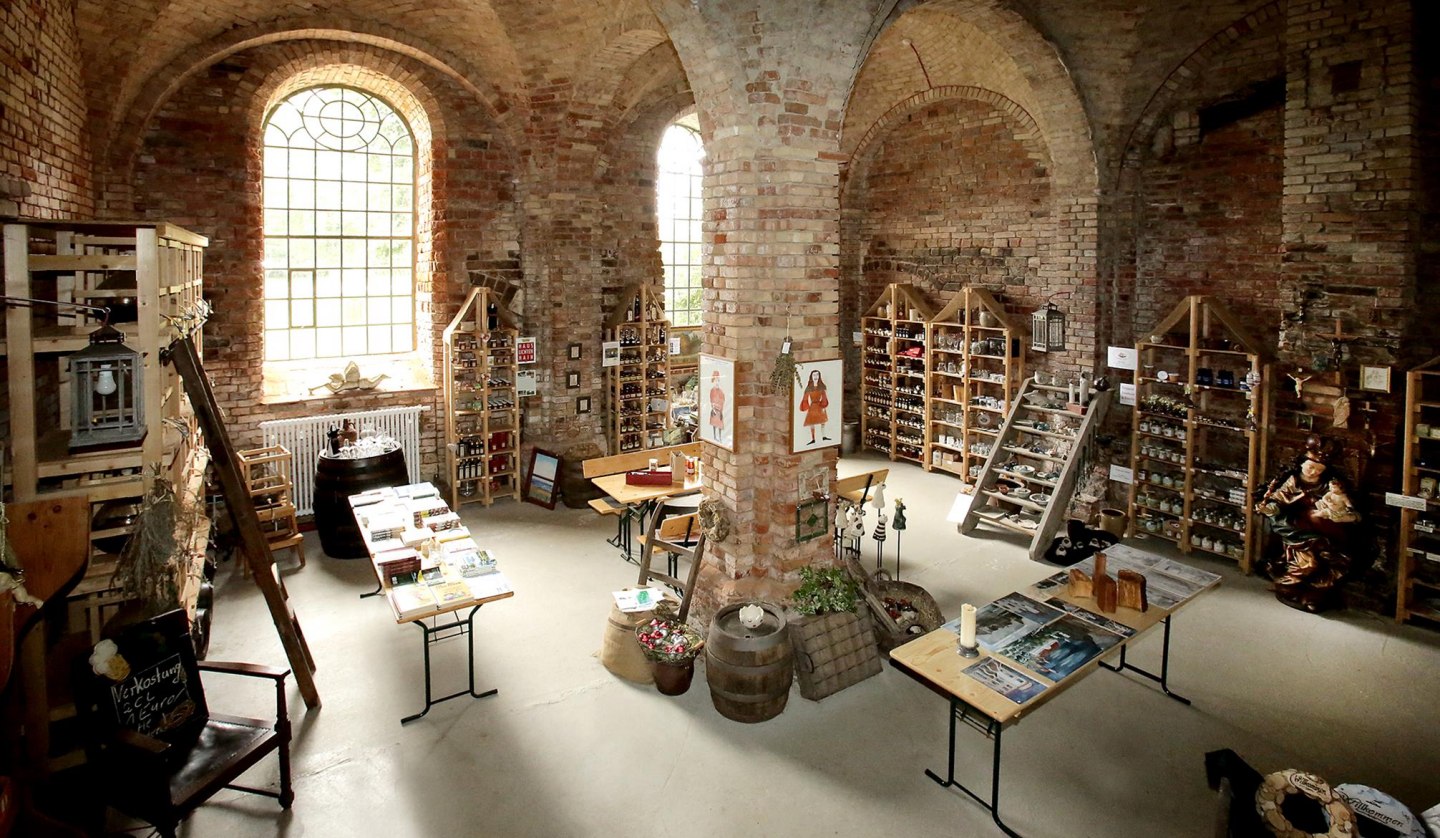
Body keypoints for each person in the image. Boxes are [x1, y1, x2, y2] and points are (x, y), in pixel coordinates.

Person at [1254, 436, 1362, 612]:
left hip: (1325, 530)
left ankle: (1316, 593)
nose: (1313, 473)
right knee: (1307, 563)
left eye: (1318, 470)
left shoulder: (1331, 484)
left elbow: (1349, 507)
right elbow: (1278, 501)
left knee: (1329, 561)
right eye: (1310, 467)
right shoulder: (1292, 481)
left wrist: (1343, 514)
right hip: (1296, 528)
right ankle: (1290, 587)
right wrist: (1269, 509)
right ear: (1302, 463)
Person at [798, 369, 831, 445]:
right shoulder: (809, 387)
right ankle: (813, 439)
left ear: (819, 376)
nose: (815, 376)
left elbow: (824, 397)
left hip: (820, 405)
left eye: (817, 375)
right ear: (811, 376)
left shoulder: (821, 386)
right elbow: (805, 397)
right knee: (811, 423)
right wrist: (805, 406)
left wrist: (824, 406)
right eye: (814, 375)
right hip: (813, 406)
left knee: (823, 422)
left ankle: (824, 436)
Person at [708, 370, 726, 442]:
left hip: (719, 409)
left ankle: (720, 437)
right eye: (715, 380)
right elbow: (711, 400)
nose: (717, 382)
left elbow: (723, 400)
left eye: (718, 380)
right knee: (714, 424)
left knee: (720, 424)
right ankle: (715, 436)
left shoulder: (721, 391)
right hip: (714, 409)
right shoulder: (712, 390)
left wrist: (720, 409)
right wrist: (713, 408)